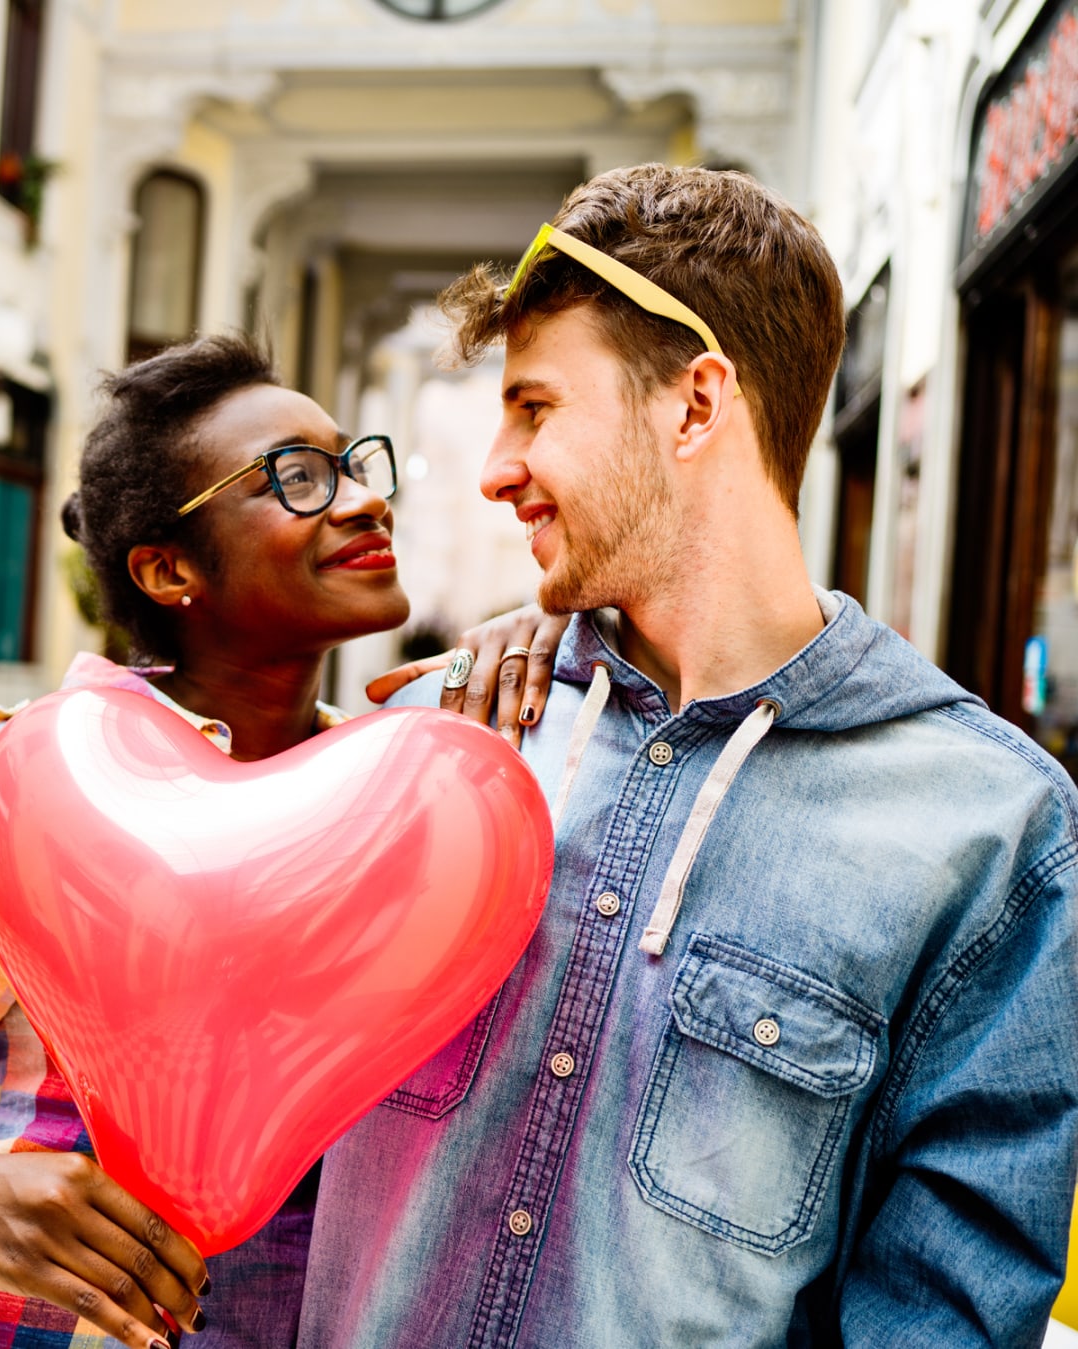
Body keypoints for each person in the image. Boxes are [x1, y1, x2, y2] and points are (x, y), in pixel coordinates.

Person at [298, 164, 1078, 1347]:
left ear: (698, 406)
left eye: (537, 407)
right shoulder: (445, 737)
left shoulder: (989, 832)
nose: (495, 467)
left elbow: (944, 1311)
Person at [0, 333, 534, 1349]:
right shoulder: (18, 788)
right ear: (169, 567)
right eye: (298, 479)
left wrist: (560, 638)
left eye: (354, 463)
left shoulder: (421, 816)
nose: (362, 498)